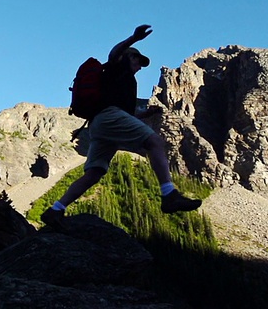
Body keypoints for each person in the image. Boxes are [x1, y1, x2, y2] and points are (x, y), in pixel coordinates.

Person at [41, 24, 202, 231]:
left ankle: (56, 209)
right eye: (137, 60)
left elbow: (126, 113)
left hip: (100, 126)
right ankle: (169, 194)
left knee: (94, 173)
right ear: (128, 58)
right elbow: (114, 53)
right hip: (108, 118)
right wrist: (133, 39)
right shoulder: (117, 67)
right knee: (154, 141)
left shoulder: (124, 82)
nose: (140, 65)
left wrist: (146, 114)